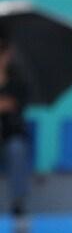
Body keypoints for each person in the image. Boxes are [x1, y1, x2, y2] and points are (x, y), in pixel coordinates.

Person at [0, 34, 31, 215]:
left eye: (2, 51)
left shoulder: (19, 82)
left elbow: (16, 103)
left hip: (11, 137)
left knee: (17, 149)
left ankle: (17, 202)